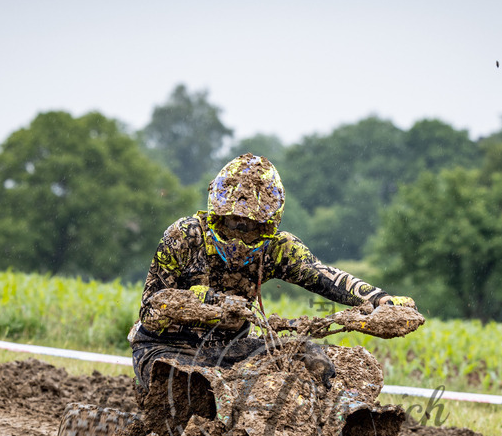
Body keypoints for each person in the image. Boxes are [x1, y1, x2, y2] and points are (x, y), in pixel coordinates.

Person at [129, 153, 414, 398]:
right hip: (165, 348)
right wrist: (199, 306)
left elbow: (323, 275)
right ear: (216, 215)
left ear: (269, 225)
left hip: (231, 347)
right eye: (231, 224)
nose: (239, 237)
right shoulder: (184, 236)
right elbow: (150, 310)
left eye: (250, 227)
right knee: (195, 390)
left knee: (311, 358)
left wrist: (379, 299)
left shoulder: (278, 249)